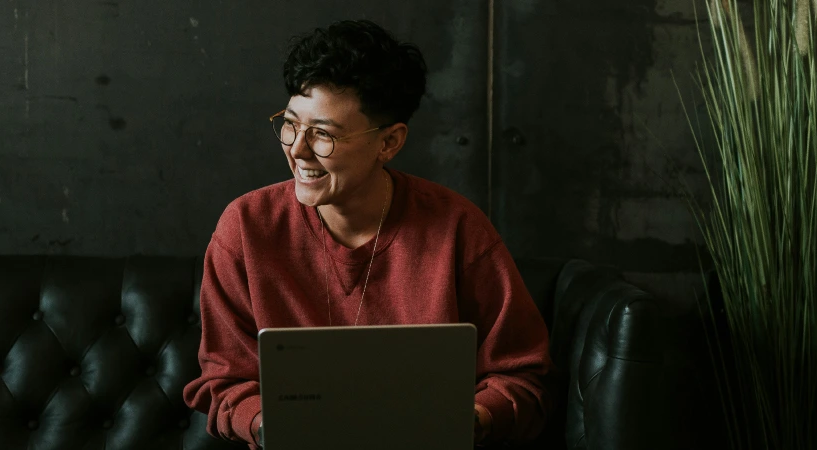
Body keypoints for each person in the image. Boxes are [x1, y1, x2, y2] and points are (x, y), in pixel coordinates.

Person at [182, 19, 552, 448]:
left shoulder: (457, 229)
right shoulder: (246, 227)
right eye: (290, 124)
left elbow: (524, 375)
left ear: (389, 143)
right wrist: (274, 426)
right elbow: (224, 380)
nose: (298, 150)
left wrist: (469, 419)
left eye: (323, 134)